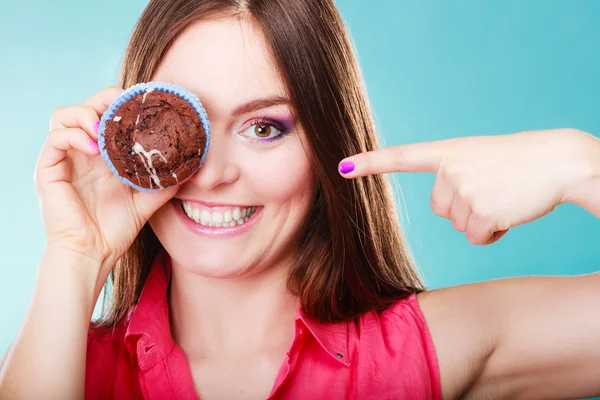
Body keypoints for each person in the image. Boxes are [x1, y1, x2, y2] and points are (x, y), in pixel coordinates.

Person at [1, 0, 599, 399]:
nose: (211, 177)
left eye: (265, 128)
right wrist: (74, 255)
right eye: (179, 123)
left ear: (325, 144)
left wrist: (581, 164)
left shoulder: (432, 347)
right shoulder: (62, 370)